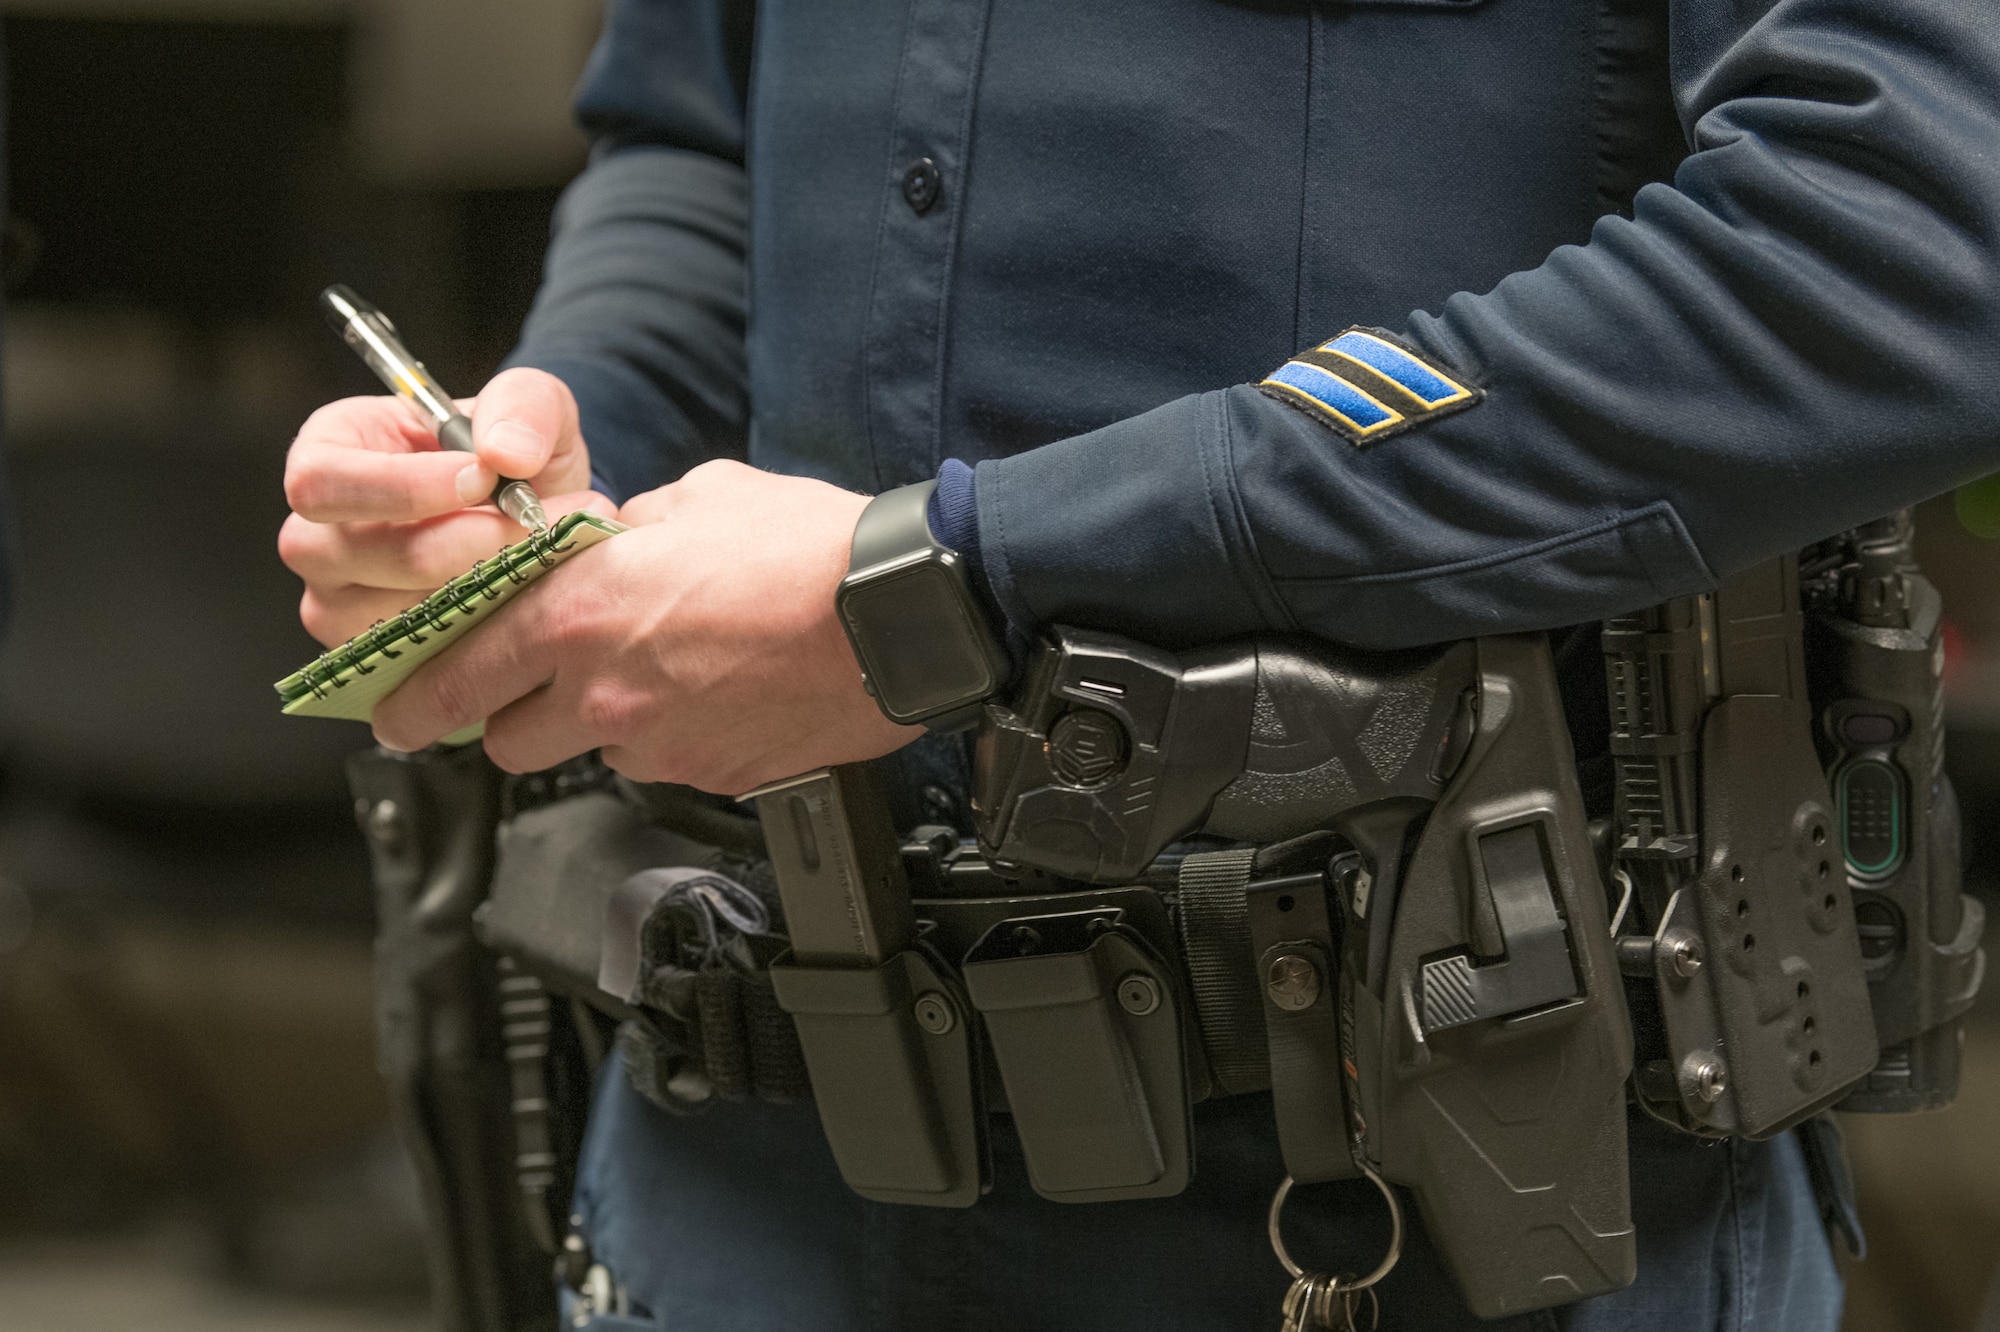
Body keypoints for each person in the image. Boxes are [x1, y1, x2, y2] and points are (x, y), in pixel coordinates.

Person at [278, 0, 2000, 1327]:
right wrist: (546, 467)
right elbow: (696, 145)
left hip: (1423, 1198)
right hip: (740, 1176)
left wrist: (951, 583)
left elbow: (1902, 241)